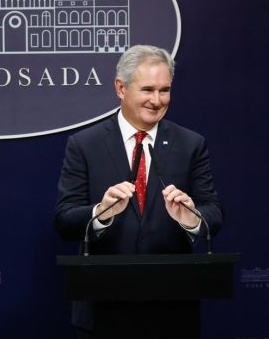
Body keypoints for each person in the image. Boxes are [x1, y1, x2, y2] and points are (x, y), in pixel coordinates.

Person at [54, 45, 223, 338]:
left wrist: (192, 218)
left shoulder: (191, 144)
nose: (157, 101)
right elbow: (64, 221)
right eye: (147, 90)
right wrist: (100, 213)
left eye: (164, 90)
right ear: (121, 88)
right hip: (103, 308)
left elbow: (214, 214)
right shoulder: (84, 144)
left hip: (173, 309)